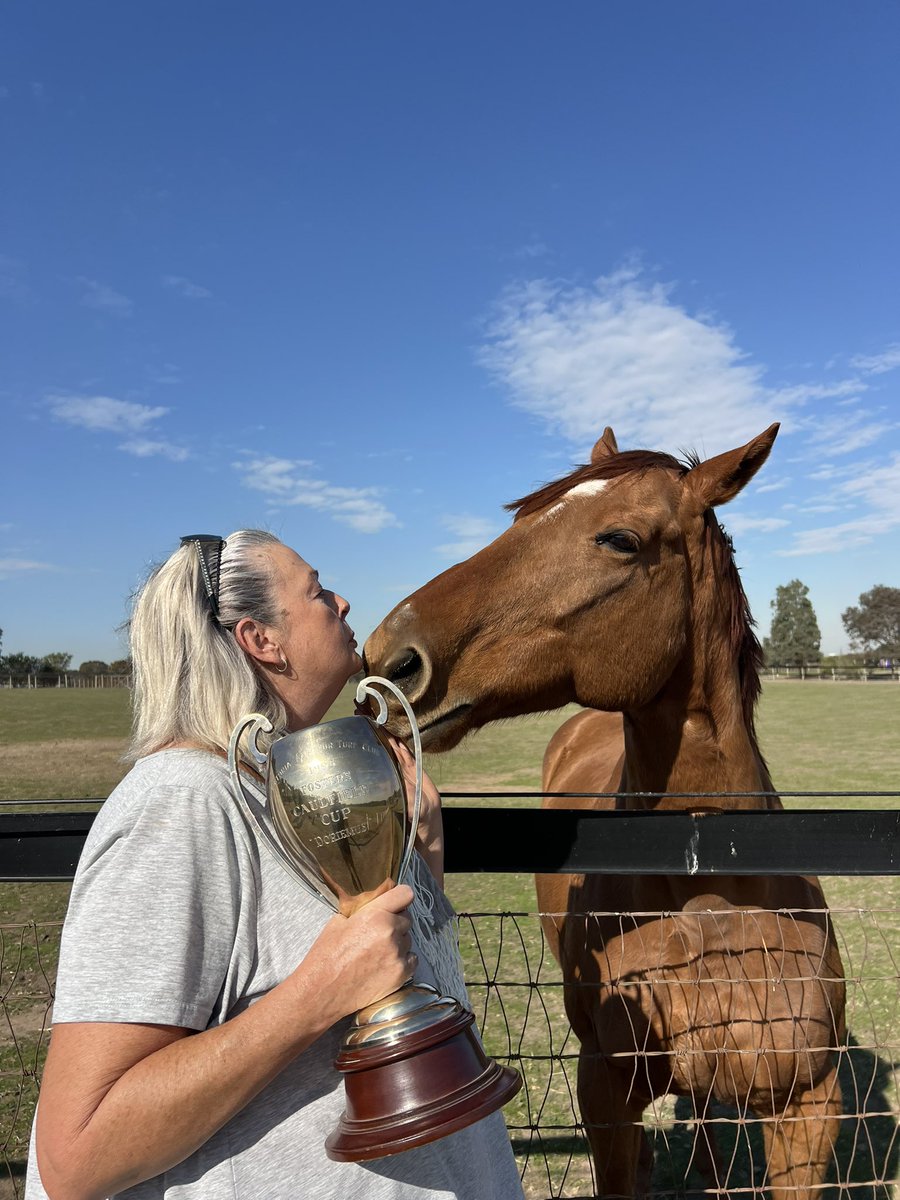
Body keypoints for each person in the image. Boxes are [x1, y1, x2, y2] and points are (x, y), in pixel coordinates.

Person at [26, 530, 524, 1200]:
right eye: (318, 592)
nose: (344, 602)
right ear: (261, 639)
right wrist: (316, 995)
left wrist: (420, 861)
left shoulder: (299, 787)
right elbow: (75, 1155)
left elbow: (384, 968)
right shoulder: (181, 801)